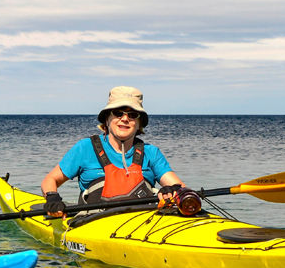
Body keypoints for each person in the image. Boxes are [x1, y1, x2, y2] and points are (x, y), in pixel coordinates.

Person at [40, 86, 192, 218]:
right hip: (94, 222)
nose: (125, 119)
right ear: (107, 119)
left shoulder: (151, 153)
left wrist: (172, 190)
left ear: (139, 123)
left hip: (144, 222)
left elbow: (179, 186)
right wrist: (52, 197)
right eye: (118, 113)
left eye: (132, 115)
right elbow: (51, 180)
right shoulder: (85, 148)